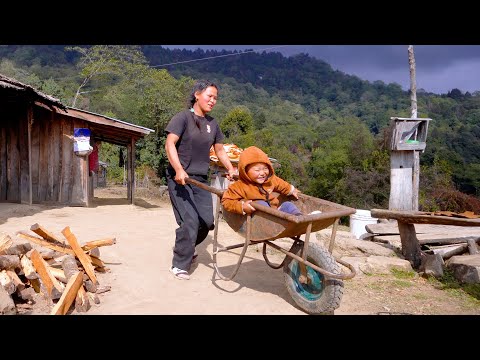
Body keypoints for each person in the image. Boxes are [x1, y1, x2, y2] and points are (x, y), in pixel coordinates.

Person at [165, 80, 236, 280]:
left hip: (200, 178)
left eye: (215, 98)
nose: (213, 101)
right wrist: (178, 169)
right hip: (180, 178)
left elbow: (219, 150)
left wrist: (230, 168)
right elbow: (170, 144)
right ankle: (179, 264)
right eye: (209, 96)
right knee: (190, 221)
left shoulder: (213, 124)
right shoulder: (183, 118)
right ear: (197, 94)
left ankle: (188, 246)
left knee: (206, 222)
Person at [221, 146, 303, 217]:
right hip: (261, 218)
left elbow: (282, 185)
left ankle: (298, 219)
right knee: (260, 204)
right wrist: (242, 207)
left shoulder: (270, 180)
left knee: (288, 205)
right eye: (257, 170)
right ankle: (274, 221)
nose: (262, 173)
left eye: (265, 169)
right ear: (245, 171)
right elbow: (226, 201)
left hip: (275, 211)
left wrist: (291, 190)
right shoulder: (240, 186)